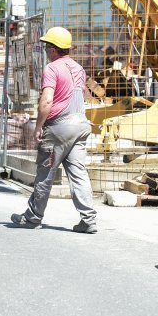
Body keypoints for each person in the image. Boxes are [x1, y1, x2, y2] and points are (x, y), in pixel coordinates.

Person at [10, 26, 98, 233]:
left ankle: (32, 217)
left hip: (59, 128)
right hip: (80, 125)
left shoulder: (52, 69)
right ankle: (89, 220)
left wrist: (39, 126)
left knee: (45, 173)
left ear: (52, 48)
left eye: (47, 47)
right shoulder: (79, 68)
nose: (46, 51)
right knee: (78, 174)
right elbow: (80, 97)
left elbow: (47, 100)